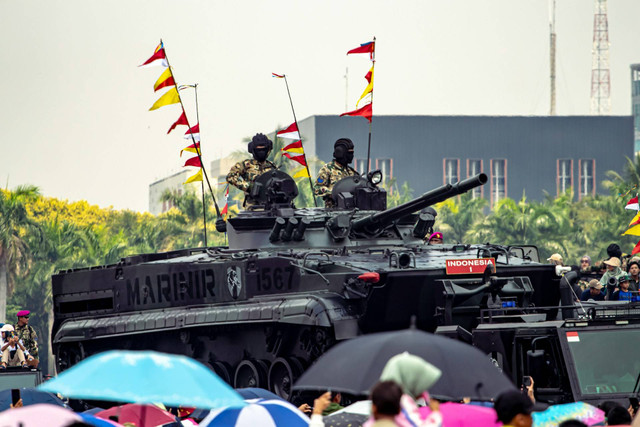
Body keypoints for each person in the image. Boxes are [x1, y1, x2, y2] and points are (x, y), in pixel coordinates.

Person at [226, 133, 277, 207]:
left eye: (263, 149)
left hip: (271, 206)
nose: (261, 152)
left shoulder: (272, 166)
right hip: (252, 207)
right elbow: (230, 177)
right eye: (258, 150)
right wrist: (249, 187)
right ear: (253, 149)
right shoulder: (246, 164)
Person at [314, 138, 359, 208]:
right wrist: (333, 193)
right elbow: (317, 188)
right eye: (349, 153)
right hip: (333, 212)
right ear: (341, 153)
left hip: (351, 211)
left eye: (352, 153)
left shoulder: (351, 172)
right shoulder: (327, 169)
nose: (351, 156)